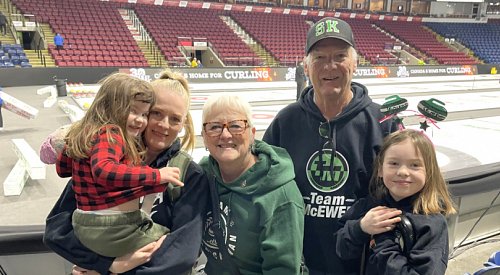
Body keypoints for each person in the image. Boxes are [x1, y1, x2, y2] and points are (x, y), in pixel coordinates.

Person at [262, 17, 399, 274]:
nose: (330, 66)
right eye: (320, 58)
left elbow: (410, 192)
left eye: (339, 56)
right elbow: (259, 182)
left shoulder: (384, 123)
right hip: (298, 263)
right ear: (306, 66)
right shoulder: (285, 121)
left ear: (355, 63)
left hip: (362, 263)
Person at [44, 70, 209, 274]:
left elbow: (182, 254)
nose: (164, 125)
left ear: (183, 124)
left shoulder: (189, 174)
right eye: (155, 113)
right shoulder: (106, 157)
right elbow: (56, 229)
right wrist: (107, 264)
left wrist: (111, 270)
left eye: (175, 119)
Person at [199, 94, 306, 274]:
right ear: (203, 136)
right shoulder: (202, 174)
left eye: (235, 126)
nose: (225, 135)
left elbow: (282, 270)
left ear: (252, 134)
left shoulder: (280, 195)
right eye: (215, 127)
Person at [336, 129, 456, 274]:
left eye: (414, 165)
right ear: (380, 170)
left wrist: (382, 243)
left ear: (429, 171)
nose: (403, 172)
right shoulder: (369, 205)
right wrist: (360, 228)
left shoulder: (432, 224)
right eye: (394, 163)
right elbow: (341, 248)